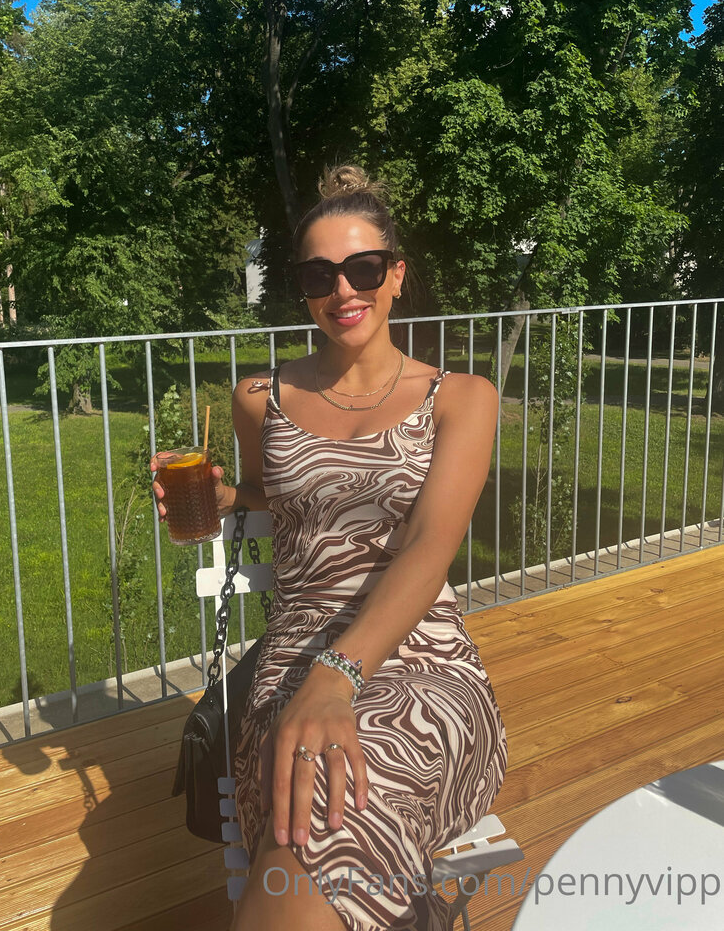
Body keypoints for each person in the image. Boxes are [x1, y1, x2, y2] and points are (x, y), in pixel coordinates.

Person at [151, 165, 508, 931]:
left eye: (363, 268)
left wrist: (337, 676)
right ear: (304, 289)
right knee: (309, 794)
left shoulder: (461, 399)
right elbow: (269, 491)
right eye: (319, 275)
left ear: (397, 275)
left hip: (420, 655)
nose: (343, 290)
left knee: (338, 788)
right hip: (294, 649)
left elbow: (428, 544)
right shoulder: (261, 400)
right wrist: (223, 499)